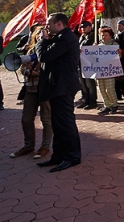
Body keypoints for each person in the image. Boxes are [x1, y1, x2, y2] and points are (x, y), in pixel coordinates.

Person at [35, 13, 82, 172]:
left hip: (64, 87)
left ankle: (72, 156)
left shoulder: (66, 38)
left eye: (49, 24)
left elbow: (44, 56)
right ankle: (59, 155)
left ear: (59, 24)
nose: (47, 27)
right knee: (57, 123)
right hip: (56, 86)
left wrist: (42, 41)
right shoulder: (59, 37)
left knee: (65, 123)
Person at [9, 25, 52, 160]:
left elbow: (53, 70)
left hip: (45, 89)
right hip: (30, 88)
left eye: (44, 34)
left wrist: (37, 74)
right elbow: (21, 67)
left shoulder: (51, 49)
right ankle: (29, 146)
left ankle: (45, 147)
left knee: (46, 119)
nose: (41, 35)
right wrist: (26, 71)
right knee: (26, 119)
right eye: (38, 33)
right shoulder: (30, 51)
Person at [96, 26, 120, 115]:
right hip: (100, 70)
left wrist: (119, 53)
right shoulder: (99, 45)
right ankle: (107, 105)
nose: (103, 37)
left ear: (110, 36)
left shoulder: (114, 44)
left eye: (105, 35)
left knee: (109, 89)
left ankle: (114, 104)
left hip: (109, 70)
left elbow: (118, 58)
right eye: (102, 35)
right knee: (102, 88)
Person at [76, 21, 98, 110]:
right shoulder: (82, 36)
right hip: (81, 62)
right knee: (83, 83)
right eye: (82, 27)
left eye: (85, 27)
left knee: (89, 83)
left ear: (90, 27)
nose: (83, 29)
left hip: (89, 63)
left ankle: (92, 101)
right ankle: (86, 99)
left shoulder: (94, 36)